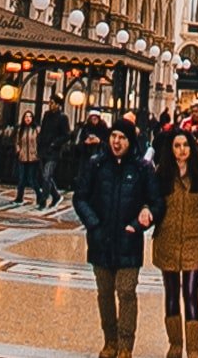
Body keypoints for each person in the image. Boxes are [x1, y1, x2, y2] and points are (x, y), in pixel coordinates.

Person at [75, 118, 156, 358]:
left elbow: (155, 202)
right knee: (105, 293)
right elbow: (80, 197)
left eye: (122, 138)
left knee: (127, 292)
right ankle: (109, 340)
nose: (116, 142)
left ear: (130, 141)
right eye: (114, 136)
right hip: (101, 240)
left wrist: (143, 217)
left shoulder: (142, 169)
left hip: (129, 240)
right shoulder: (96, 165)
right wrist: (94, 224)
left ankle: (125, 345)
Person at [153, 125, 198, 358]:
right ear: (170, 149)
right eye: (177, 146)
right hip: (167, 241)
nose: (181, 150)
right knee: (171, 293)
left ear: (192, 148)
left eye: (185, 146)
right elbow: (154, 203)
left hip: (194, 241)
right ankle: (175, 344)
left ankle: (193, 349)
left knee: (190, 293)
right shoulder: (162, 173)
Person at [39, 97, 71, 206]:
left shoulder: (63, 118)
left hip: (54, 151)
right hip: (44, 149)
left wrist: (55, 143)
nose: (49, 104)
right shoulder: (47, 115)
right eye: (49, 102)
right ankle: (56, 196)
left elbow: (67, 135)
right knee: (45, 175)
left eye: (52, 103)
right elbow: (43, 130)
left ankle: (43, 200)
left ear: (58, 105)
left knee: (47, 174)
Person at [14, 111, 43, 205]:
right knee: (21, 178)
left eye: (30, 116)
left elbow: (40, 142)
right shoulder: (21, 129)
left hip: (33, 157)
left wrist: (38, 152)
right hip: (22, 157)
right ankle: (19, 197)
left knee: (32, 179)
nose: (28, 118)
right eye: (26, 116)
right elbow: (17, 141)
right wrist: (18, 150)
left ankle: (39, 195)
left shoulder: (36, 129)